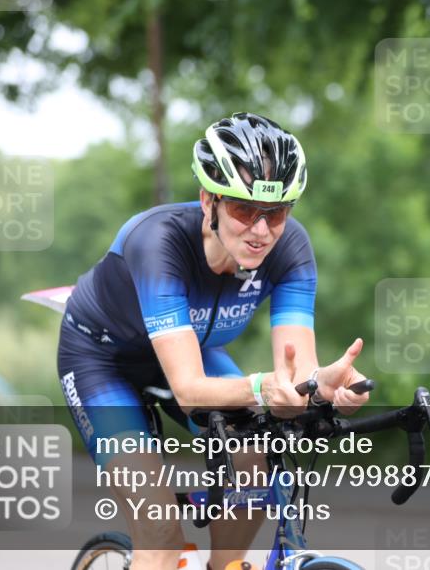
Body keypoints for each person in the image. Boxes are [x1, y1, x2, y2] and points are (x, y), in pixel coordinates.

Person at [57, 112, 370, 570]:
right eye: (244, 210)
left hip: (192, 351)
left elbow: (298, 371)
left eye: (276, 213)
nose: (261, 231)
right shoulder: (158, 241)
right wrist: (264, 388)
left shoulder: (291, 248)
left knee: (254, 463)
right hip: (102, 361)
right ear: (209, 201)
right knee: (160, 533)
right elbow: (189, 390)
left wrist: (326, 385)